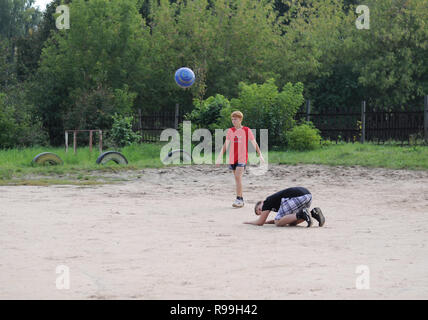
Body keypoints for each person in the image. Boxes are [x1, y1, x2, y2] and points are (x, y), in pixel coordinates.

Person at [216, 111, 264, 208]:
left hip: (242, 158)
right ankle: (241, 200)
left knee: (238, 177)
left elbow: (254, 143)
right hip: (232, 158)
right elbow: (226, 144)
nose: (233, 121)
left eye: (236, 119)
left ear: (240, 119)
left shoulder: (246, 130)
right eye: (232, 119)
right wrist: (219, 157)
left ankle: (238, 199)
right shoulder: (230, 131)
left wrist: (260, 155)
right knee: (237, 179)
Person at [244, 187, 325, 227]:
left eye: (259, 209)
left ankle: (302, 213)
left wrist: (248, 222)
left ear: (261, 202)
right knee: (291, 222)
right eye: (260, 213)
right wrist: (267, 222)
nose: (262, 212)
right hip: (307, 195)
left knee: (278, 222)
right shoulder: (275, 205)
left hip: (296, 197)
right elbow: (285, 218)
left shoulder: (267, 202)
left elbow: (260, 222)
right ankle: (313, 213)